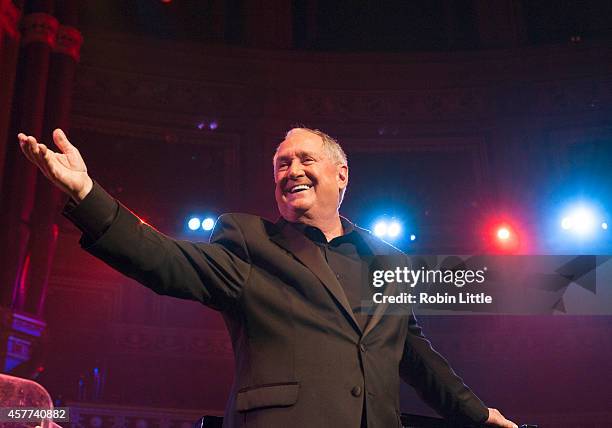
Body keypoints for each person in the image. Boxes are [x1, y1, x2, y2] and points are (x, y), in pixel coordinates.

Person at [18, 128, 517, 428]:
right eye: (281, 163)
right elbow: (164, 260)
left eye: (305, 159)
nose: (290, 170)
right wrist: (87, 194)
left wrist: (477, 414)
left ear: (341, 174)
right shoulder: (250, 242)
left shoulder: (389, 262)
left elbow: (415, 353)